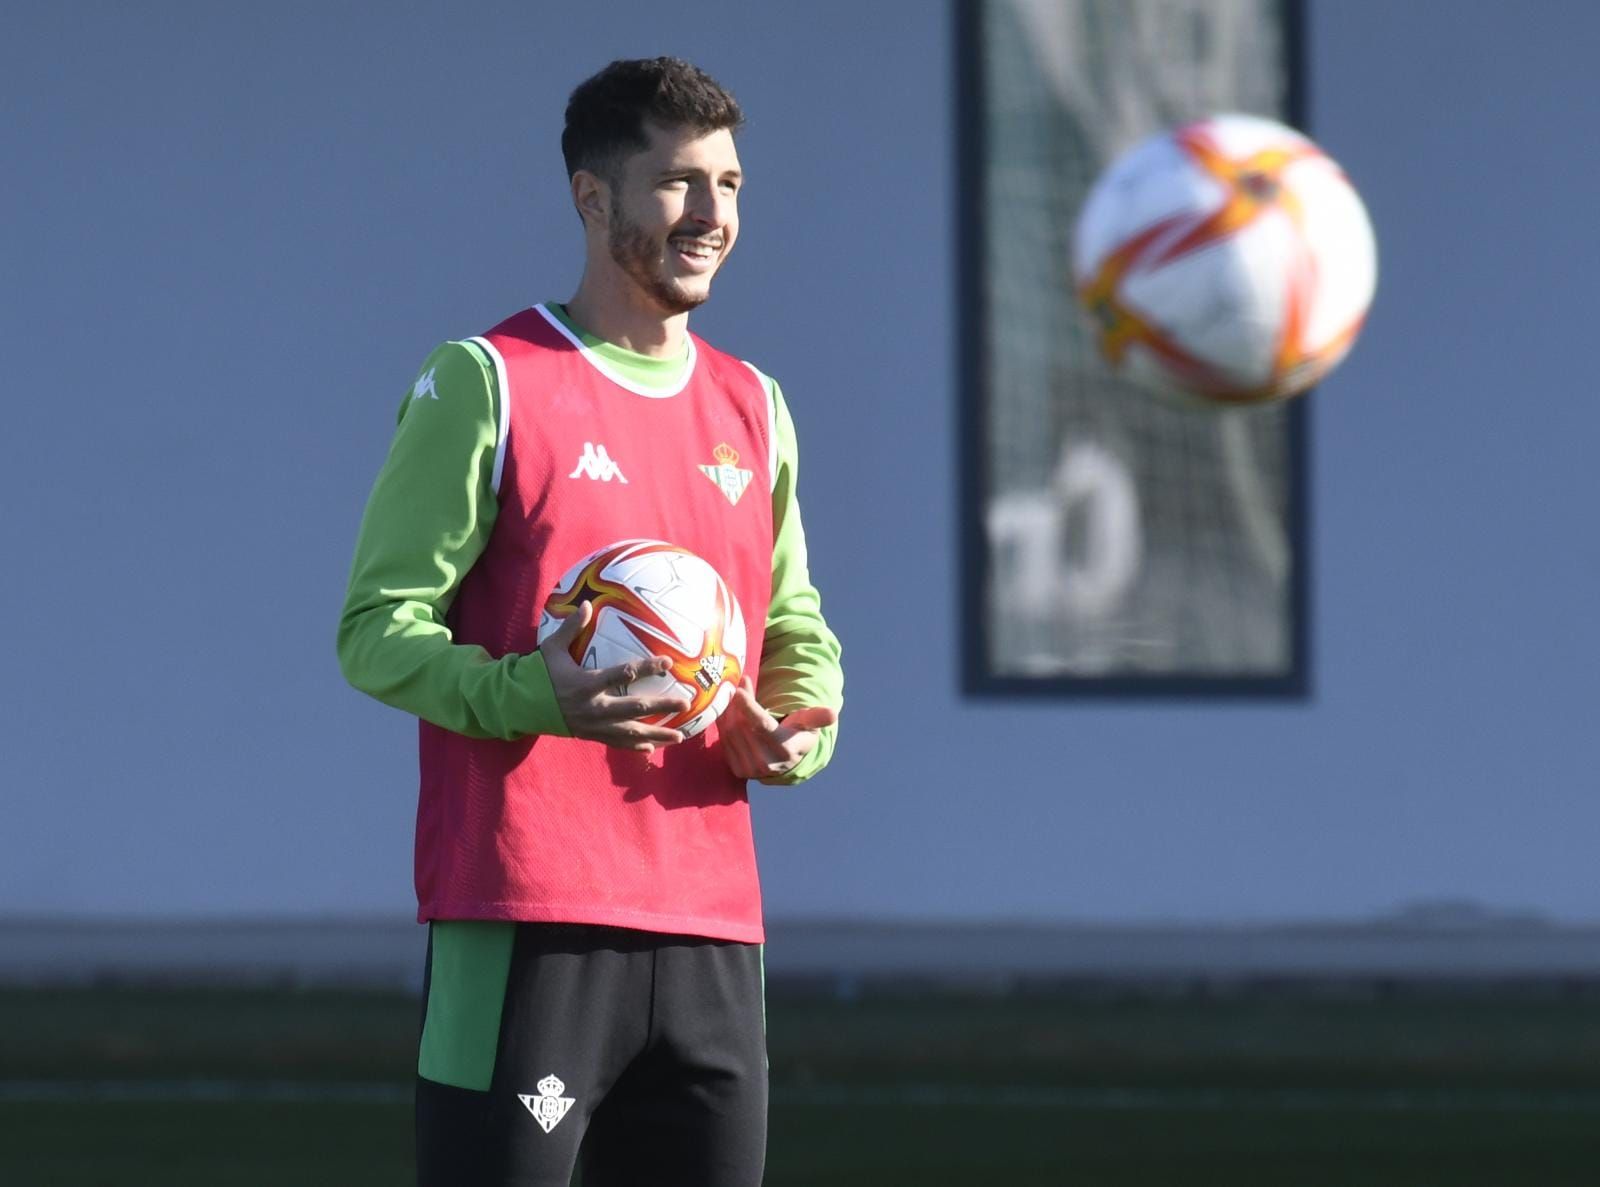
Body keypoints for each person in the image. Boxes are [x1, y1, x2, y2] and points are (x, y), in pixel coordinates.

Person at [336, 56, 843, 1187]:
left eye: (731, 184)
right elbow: (376, 626)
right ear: (591, 196)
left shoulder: (754, 406)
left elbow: (796, 620)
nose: (712, 214)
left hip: (714, 927)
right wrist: (531, 692)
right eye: (677, 183)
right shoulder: (489, 380)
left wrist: (803, 725)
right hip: (524, 914)